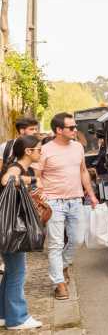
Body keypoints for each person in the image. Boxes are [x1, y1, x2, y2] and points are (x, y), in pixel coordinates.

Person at [33, 113, 98, 300]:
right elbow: (36, 175)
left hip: (76, 200)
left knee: (78, 239)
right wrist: (41, 195)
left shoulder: (78, 147)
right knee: (55, 244)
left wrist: (91, 195)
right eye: (71, 127)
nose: (75, 130)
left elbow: (83, 171)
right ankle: (59, 283)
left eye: (75, 126)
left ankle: (62, 265)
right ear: (59, 130)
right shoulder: (45, 150)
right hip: (53, 203)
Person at [0, 135, 44, 330]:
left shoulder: (20, 167)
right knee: (17, 273)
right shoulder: (16, 168)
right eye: (39, 150)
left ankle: (3, 315)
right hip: (12, 229)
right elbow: (6, 179)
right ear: (28, 151)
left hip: (9, 228)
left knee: (11, 273)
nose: (40, 153)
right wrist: (33, 179)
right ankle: (17, 318)